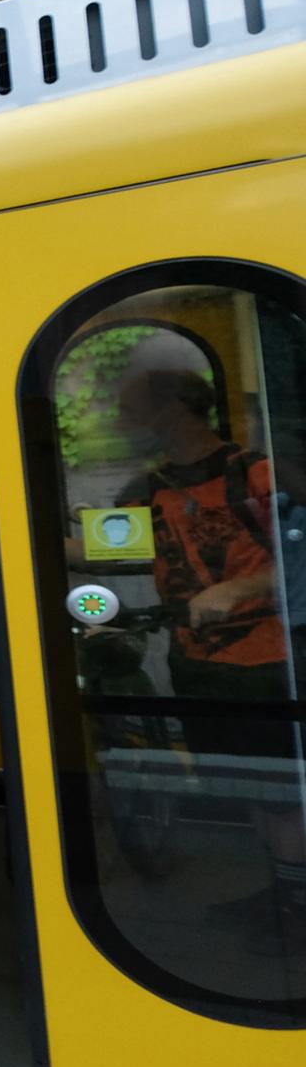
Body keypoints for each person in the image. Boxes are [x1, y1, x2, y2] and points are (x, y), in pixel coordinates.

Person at [108, 339, 306, 951]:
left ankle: (297, 909)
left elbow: (298, 556)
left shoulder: (258, 474)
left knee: (281, 795)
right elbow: (110, 549)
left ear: (172, 409)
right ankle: (281, 889)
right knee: (246, 787)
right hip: (195, 663)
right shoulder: (147, 487)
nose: (121, 424)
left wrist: (238, 586)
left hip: (266, 660)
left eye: (131, 411)